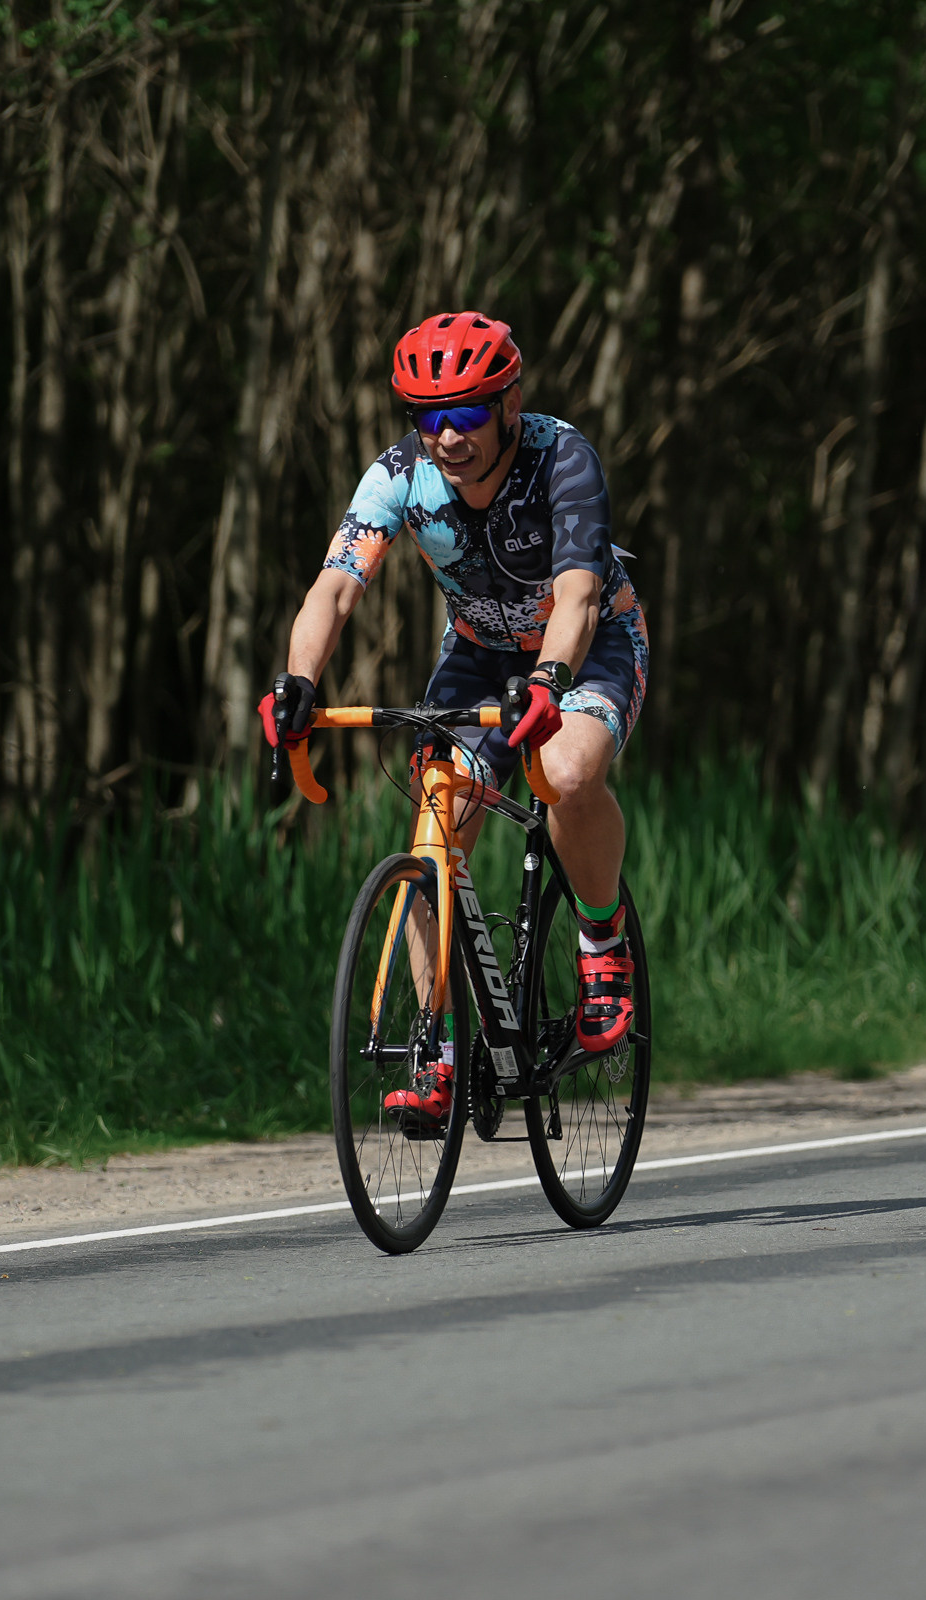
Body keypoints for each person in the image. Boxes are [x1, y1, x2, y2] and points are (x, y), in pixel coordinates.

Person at [257, 310, 649, 1120]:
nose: (446, 436)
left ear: (508, 404)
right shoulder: (400, 474)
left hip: (589, 641)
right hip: (479, 652)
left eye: (466, 414)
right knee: (436, 824)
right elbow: (335, 586)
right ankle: (436, 1055)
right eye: (427, 417)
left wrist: (550, 678)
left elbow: (577, 594)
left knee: (570, 772)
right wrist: (297, 680)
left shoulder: (561, 458)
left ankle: (602, 947)